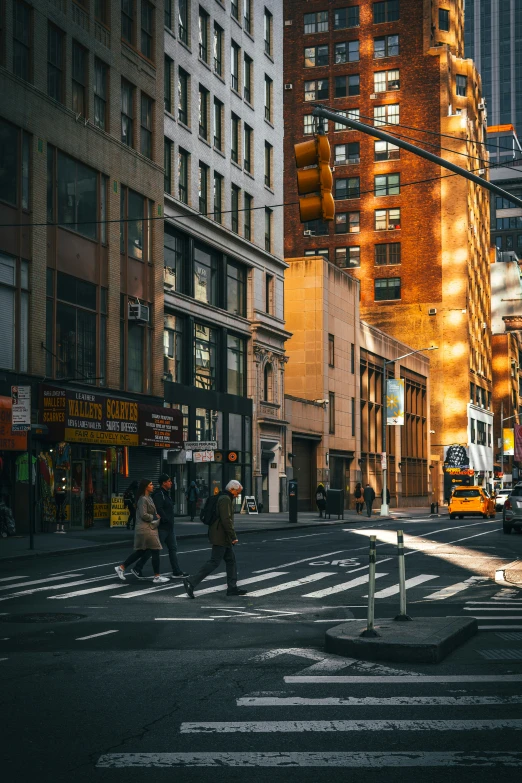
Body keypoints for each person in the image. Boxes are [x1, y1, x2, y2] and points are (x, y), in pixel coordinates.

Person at [183, 480, 246, 598]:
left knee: (231, 560)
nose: (238, 495)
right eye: (237, 492)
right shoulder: (225, 499)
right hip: (220, 535)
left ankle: (232, 587)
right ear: (232, 489)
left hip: (222, 535)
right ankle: (191, 581)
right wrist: (233, 536)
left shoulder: (224, 497)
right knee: (214, 562)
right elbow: (226, 520)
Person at [131, 474, 187, 580]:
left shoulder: (166, 494)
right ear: (164, 483)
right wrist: (164, 519)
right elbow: (159, 508)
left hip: (169, 527)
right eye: (169, 481)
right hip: (161, 527)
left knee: (172, 548)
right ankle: (137, 567)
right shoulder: (159, 494)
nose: (171, 483)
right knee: (153, 549)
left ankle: (177, 571)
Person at [114, 479, 168, 584]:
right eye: (151, 485)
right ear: (145, 487)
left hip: (148, 528)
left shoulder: (148, 498)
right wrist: (154, 516)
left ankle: (121, 567)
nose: (153, 486)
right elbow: (143, 515)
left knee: (141, 551)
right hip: (146, 529)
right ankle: (157, 577)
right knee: (155, 550)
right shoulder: (143, 499)